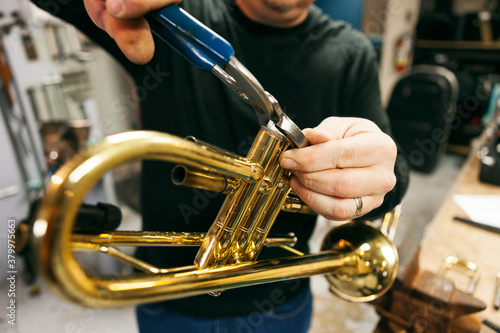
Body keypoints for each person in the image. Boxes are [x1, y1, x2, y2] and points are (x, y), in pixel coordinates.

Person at [31, 0, 410, 332]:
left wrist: (376, 177)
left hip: (277, 303)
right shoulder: (176, 15)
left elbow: (395, 175)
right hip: (166, 296)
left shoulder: (352, 51)